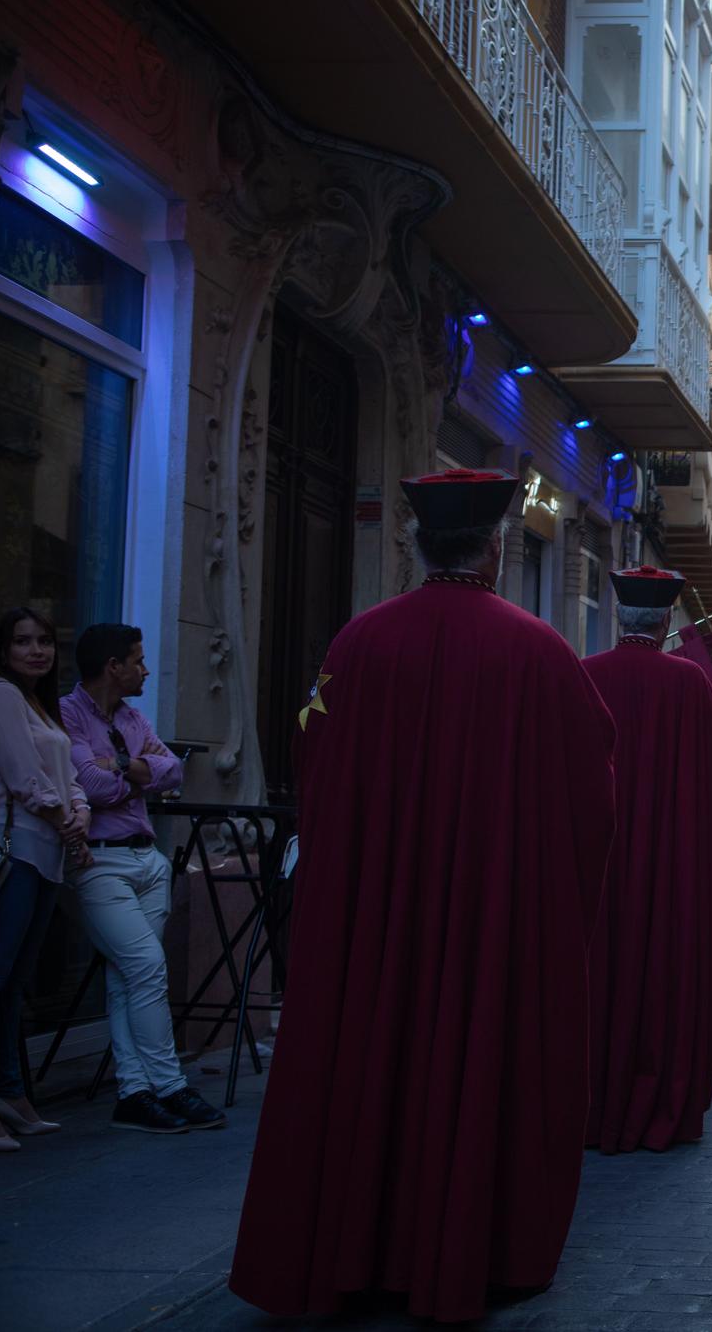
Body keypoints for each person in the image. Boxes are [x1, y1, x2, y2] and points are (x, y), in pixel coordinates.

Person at [229, 470, 617, 1322]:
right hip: (492, 919)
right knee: (473, 1058)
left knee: (371, 1053)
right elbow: (593, 794)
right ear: (494, 548)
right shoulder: (542, 651)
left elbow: (317, 769)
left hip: (377, 918)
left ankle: (356, 1247)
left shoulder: (356, 645)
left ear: (413, 544)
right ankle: (458, 1248)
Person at [582, 567, 712, 1153]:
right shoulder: (689, 685)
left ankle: (590, 1102)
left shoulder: (585, 675)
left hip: (593, 879)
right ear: (667, 621)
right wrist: (701, 881)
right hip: (669, 884)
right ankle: (657, 1100)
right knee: (658, 985)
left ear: (619, 612)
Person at [60, 624, 225, 1133]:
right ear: (114, 666)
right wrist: (136, 775)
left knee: (126, 979)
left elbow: (174, 771)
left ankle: (134, 1093)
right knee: (148, 967)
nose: (145, 670)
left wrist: (126, 765)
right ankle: (170, 1084)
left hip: (146, 861)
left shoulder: (132, 718)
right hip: (99, 862)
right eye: (138, 660)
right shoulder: (68, 714)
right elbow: (88, 782)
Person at [0, 608, 88, 1152]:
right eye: (22, 641)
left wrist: (78, 815)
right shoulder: (0, 696)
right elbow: (23, 777)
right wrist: (68, 822)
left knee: (14, 986)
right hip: (5, 851)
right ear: (3, 651)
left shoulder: (44, 705)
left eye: (44, 640)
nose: (36, 650)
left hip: (44, 857)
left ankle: (10, 1094)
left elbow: (68, 779)